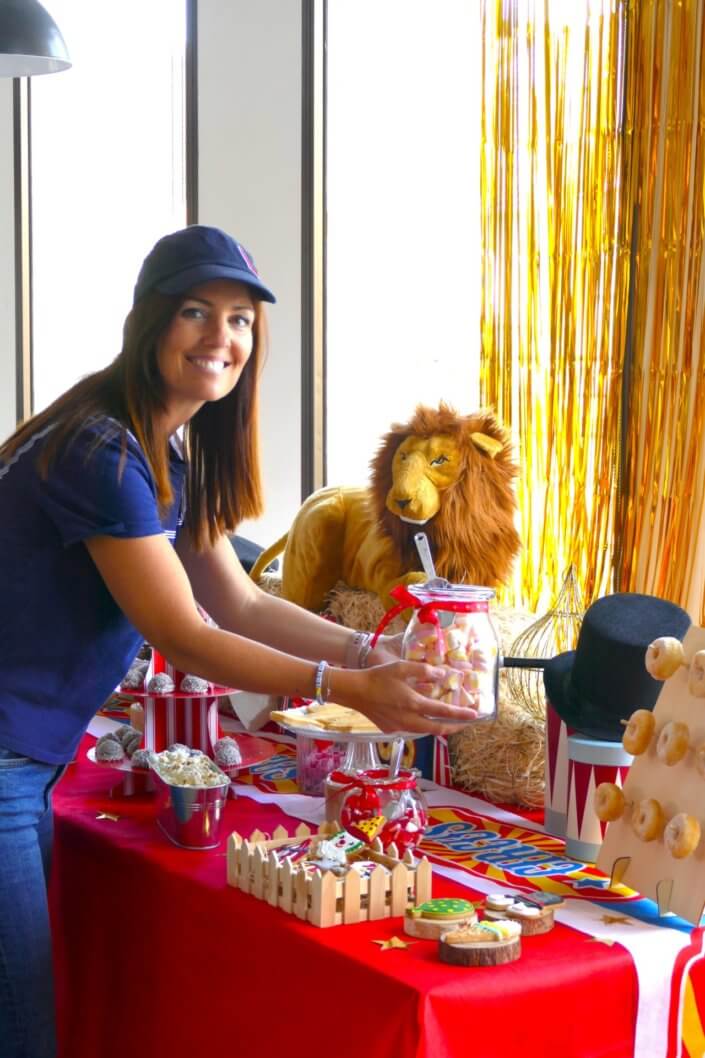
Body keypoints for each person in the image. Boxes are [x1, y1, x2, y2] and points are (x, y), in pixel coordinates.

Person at [0, 224, 476, 1057]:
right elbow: (183, 633)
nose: (220, 337)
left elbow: (236, 601)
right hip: (6, 758)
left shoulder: (157, 450)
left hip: (27, 759)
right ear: (149, 322)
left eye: (240, 319)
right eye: (195, 311)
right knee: (23, 1028)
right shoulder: (100, 450)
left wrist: (376, 655)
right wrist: (348, 688)